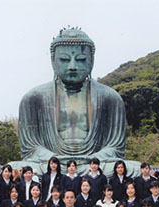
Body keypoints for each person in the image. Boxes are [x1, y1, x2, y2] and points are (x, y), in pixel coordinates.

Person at [13, 27, 140, 176]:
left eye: (80, 60)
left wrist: (93, 160)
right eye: (64, 60)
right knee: (16, 168)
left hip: (94, 164)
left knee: (135, 169)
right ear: (53, 61)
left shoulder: (110, 98)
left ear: (91, 60)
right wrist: (54, 160)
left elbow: (115, 147)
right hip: (51, 164)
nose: (72, 66)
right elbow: (31, 148)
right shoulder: (33, 98)